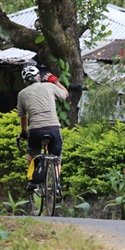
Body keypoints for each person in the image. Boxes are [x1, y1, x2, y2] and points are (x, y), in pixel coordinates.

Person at [17, 65, 69, 202]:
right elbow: (65, 94)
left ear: (25, 81)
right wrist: (55, 81)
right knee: (56, 159)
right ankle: (56, 185)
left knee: (31, 155)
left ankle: (32, 183)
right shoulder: (50, 87)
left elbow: (24, 117)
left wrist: (24, 133)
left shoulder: (22, 94)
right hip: (53, 128)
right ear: (38, 77)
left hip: (36, 130)